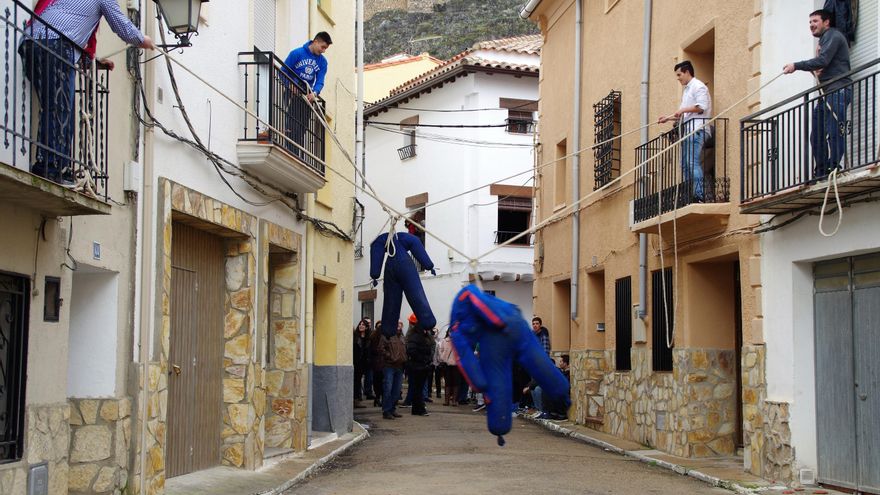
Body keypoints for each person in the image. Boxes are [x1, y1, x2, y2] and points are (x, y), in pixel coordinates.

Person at [20, 0, 155, 185]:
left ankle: (52, 165)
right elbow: (123, 27)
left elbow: (70, 23)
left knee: (52, 105)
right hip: (55, 45)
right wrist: (143, 40)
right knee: (60, 109)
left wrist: (92, 61)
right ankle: (51, 167)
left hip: (30, 43)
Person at [783, 9, 852, 178]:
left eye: (815, 21)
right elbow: (823, 64)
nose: (811, 25)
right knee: (816, 135)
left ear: (826, 22)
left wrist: (796, 66)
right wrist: (816, 69)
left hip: (837, 90)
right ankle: (821, 170)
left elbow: (823, 61)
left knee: (834, 130)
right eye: (810, 22)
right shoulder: (824, 40)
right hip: (827, 93)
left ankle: (833, 167)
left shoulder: (833, 35)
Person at [658, 60, 712, 202]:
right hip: (689, 131)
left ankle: (699, 195)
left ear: (687, 72)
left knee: (692, 162)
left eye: (679, 75)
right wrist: (667, 118)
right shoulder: (687, 90)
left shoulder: (698, 86)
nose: (678, 78)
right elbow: (684, 114)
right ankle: (691, 194)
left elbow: (702, 107)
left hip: (698, 130)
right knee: (685, 164)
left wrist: (682, 110)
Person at [283, 31, 332, 102]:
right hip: (291, 93)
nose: (324, 51)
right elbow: (283, 71)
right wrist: (290, 85)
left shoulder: (323, 62)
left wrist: (314, 93)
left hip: (306, 96)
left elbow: (320, 81)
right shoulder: (296, 53)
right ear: (316, 42)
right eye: (323, 47)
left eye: (325, 48)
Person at [405, 316, 435, 417]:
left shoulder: (425, 337)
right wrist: (423, 359)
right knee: (417, 388)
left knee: (418, 388)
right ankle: (419, 408)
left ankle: (417, 409)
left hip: (423, 366)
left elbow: (430, 348)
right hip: (417, 366)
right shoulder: (415, 337)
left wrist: (427, 359)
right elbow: (412, 351)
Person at [379, 321, 406, 420]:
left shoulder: (402, 337)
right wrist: (390, 356)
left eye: (400, 324)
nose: (399, 326)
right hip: (389, 366)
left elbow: (404, 350)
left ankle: (392, 409)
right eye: (397, 324)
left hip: (400, 366)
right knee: (388, 388)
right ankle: (386, 411)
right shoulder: (387, 335)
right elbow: (381, 348)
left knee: (397, 390)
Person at [438, 329, 460, 406]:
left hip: (456, 365)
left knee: (456, 383)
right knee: (447, 382)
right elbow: (440, 350)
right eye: (450, 331)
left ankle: (454, 400)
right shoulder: (444, 341)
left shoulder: (459, 341)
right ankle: (446, 400)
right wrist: (442, 357)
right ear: (448, 332)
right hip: (446, 364)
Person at [352, 319, 371, 407]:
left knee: (358, 381)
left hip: (363, 363)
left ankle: (357, 399)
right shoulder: (355, 336)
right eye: (360, 324)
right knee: (356, 381)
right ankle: (356, 399)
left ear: (366, 327)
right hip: (356, 362)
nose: (361, 326)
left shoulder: (368, 338)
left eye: (363, 324)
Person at [368, 322, 385, 407]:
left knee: (377, 381)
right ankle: (379, 398)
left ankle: (377, 398)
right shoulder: (378, 337)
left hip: (376, 363)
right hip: (380, 363)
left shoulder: (373, 336)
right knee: (381, 381)